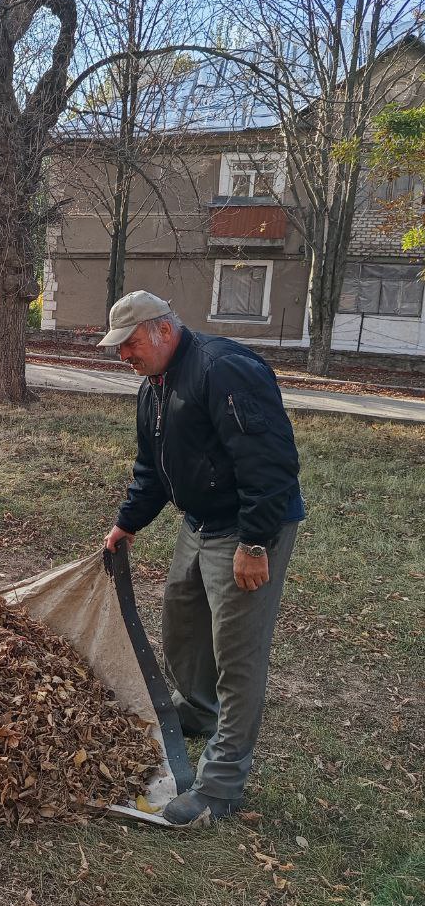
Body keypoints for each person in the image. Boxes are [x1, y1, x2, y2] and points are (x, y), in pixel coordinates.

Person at [101, 291, 304, 825]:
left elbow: (273, 464)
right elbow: (153, 469)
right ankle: (196, 711)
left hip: (247, 527)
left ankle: (220, 788)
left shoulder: (224, 370)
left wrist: (255, 543)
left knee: (237, 656)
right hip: (199, 523)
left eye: (130, 344)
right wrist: (127, 523)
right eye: (119, 348)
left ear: (163, 330)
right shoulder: (155, 388)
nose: (124, 356)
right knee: (182, 622)